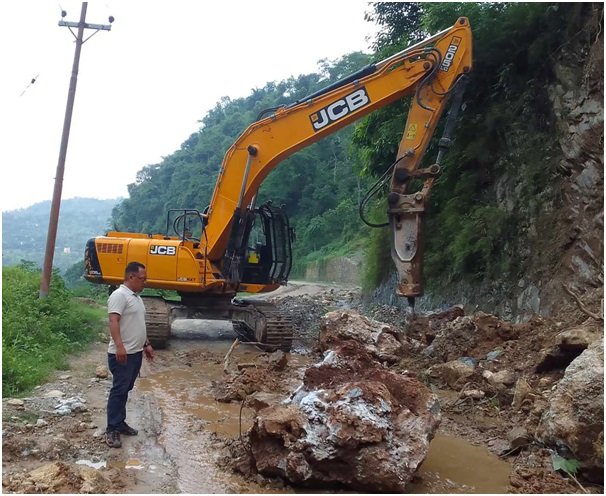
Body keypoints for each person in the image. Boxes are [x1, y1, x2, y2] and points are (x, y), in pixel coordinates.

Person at [105, 261, 154, 448]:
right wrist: (119, 346)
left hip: (135, 352)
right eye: (142, 279)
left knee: (125, 389)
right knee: (118, 391)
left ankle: (120, 422)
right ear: (131, 277)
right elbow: (113, 321)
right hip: (122, 354)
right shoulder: (119, 296)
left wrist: (147, 344)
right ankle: (112, 430)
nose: (144, 282)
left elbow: (138, 324)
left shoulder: (136, 297)